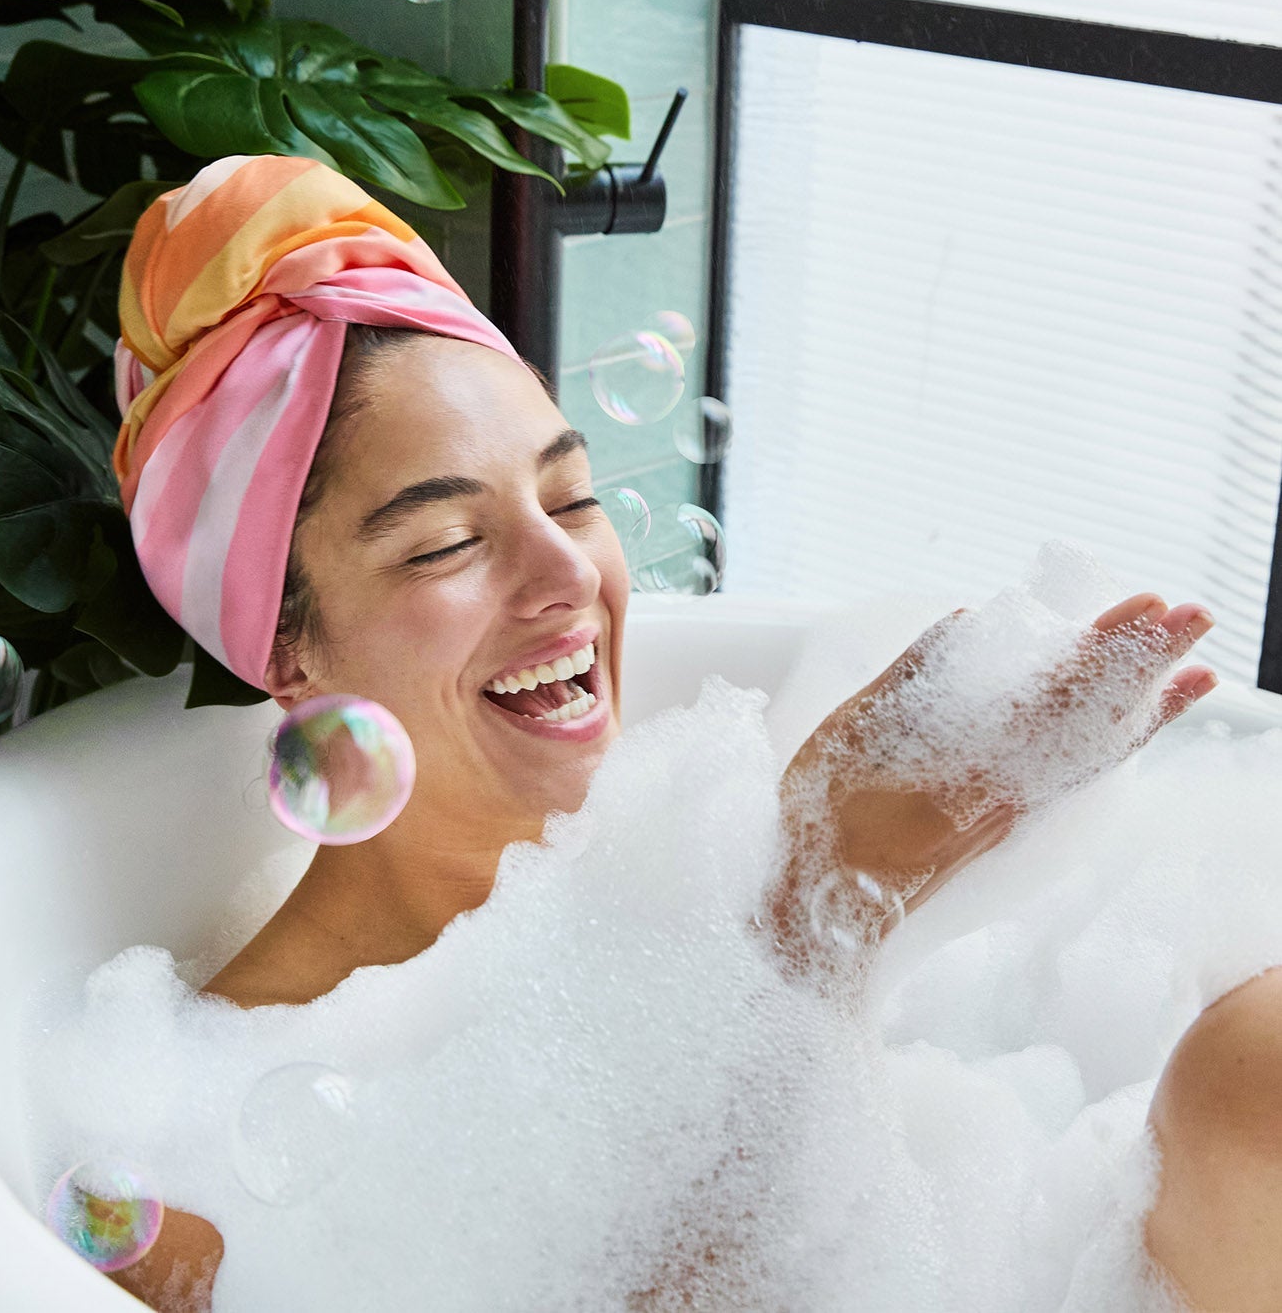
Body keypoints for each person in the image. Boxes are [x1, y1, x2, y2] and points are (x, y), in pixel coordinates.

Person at [103, 153, 1280, 1312]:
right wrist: (820, 906)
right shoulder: (194, 1151)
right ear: (287, 653)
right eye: (448, 543)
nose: (570, 573)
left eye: (572, 498)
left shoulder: (697, 843)